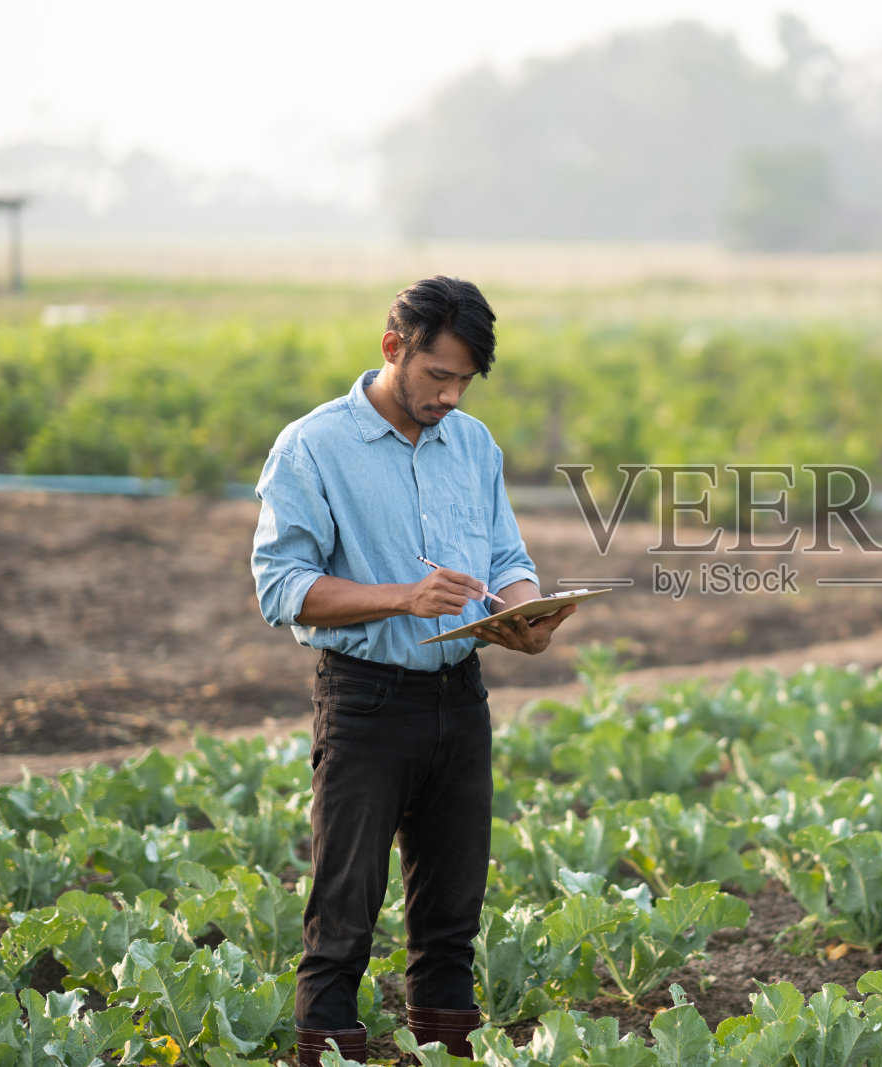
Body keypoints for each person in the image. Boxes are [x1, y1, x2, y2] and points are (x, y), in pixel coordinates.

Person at [251, 275, 576, 1064]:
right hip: (365, 704)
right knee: (343, 918)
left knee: (450, 924)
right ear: (394, 347)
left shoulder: (473, 443)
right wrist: (403, 596)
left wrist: (524, 613)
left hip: (460, 702)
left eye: (465, 379)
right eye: (439, 375)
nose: (452, 395)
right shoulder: (314, 445)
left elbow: (506, 556)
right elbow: (280, 587)